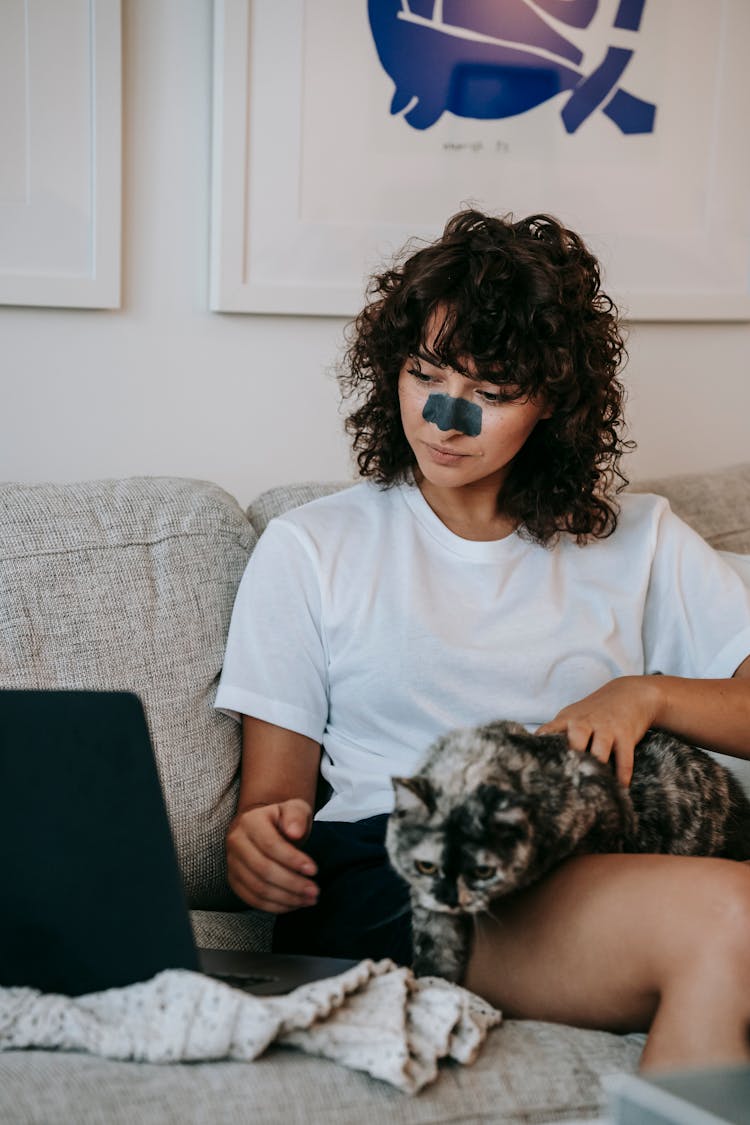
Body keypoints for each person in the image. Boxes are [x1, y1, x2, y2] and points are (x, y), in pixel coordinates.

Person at [215, 210, 750, 1071]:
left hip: (581, 852)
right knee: (735, 916)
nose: (444, 416)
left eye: (492, 393)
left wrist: (643, 692)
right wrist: (257, 846)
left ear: (553, 405)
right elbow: (272, 807)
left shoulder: (638, 538)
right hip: (400, 869)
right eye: (424, 371)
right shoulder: (315, 545)